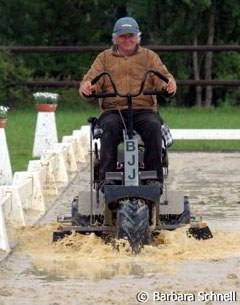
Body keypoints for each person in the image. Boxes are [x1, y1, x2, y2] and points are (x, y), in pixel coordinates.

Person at [79, 17, 177, 190]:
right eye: (123, 36)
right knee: (108, 126)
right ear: (115, 38)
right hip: (114, 110)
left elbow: (163, 77)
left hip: (143, 109)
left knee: (154, 126)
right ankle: (107, 179)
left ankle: (153, 178)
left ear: (138, 37)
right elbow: (90, 81)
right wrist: (88, 88)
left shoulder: (149, 56)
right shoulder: (104, 58)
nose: (127, 39)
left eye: (131, 35)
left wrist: (168, 85)